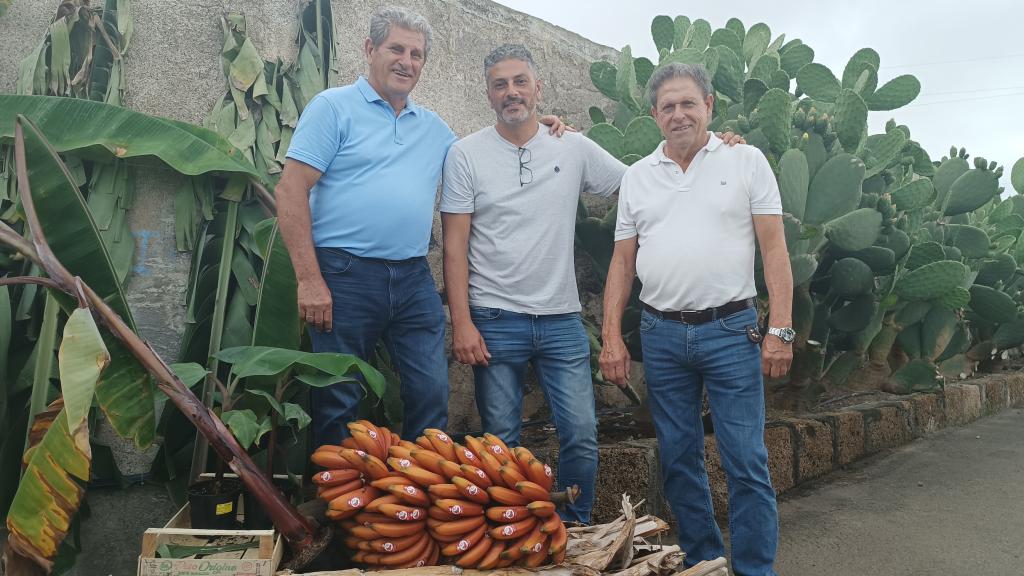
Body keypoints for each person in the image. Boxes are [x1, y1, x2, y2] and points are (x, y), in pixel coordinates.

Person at [275, 8, 565, 448]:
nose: (406, 61)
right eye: (396, 49)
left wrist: (533, 127)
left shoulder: (433, 128)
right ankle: (339, 510)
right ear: (370, 50)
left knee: (431, 392)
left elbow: (483, 153)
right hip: (344, 274)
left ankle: (413, 498)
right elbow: (290, 191)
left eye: (416, 54)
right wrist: (309, 280)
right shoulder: (333, 108)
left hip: (411, 277)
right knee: (338, 398)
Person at [599, 62, 793, 576]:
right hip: (661, 335)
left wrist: (781, 329)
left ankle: (754, 569)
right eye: (668, 106)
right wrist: (612, 336)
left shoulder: (746, 160)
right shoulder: (638, 178)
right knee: (679, 459)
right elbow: (621, 261)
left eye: (689, 103)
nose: (679, 114)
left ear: (709, 106)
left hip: (732, 331)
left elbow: (774, 250)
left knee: (746, 461)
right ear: (654, 115)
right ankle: (705, 561)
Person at [440, 44, 625, 523]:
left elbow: (635, 185)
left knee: (581, 430)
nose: (512, 92)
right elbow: (454, 246)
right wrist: (462, 323)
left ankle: (575, 526)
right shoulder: (465, 154)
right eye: (500, 84)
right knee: (501, 441)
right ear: (488, 94)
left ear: (538, 88)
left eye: (520, 81)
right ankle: (515, 532)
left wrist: (708, 150)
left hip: (562, 318)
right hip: (495, 318)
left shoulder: (572, 145)